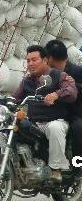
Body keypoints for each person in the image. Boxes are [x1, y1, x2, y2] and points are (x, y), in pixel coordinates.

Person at [13, 45, 78, 182]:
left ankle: (56, 170)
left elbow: (71, 92)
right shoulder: (27, 81)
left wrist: (56, 94)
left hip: (54, 121)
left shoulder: (59, 75)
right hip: (34, 123)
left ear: (45, 60)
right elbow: (15, 98)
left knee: (55, 128)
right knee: (12, 126)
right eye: (28, 60)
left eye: (34, 60)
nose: (30, 63)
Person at [45, 39, 82, 177]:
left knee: (78, 129)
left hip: (76, 114)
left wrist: (72, 87)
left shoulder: (77, 71)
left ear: (50, 58)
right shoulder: (48, 73)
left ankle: (78, 166)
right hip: (54, 114)